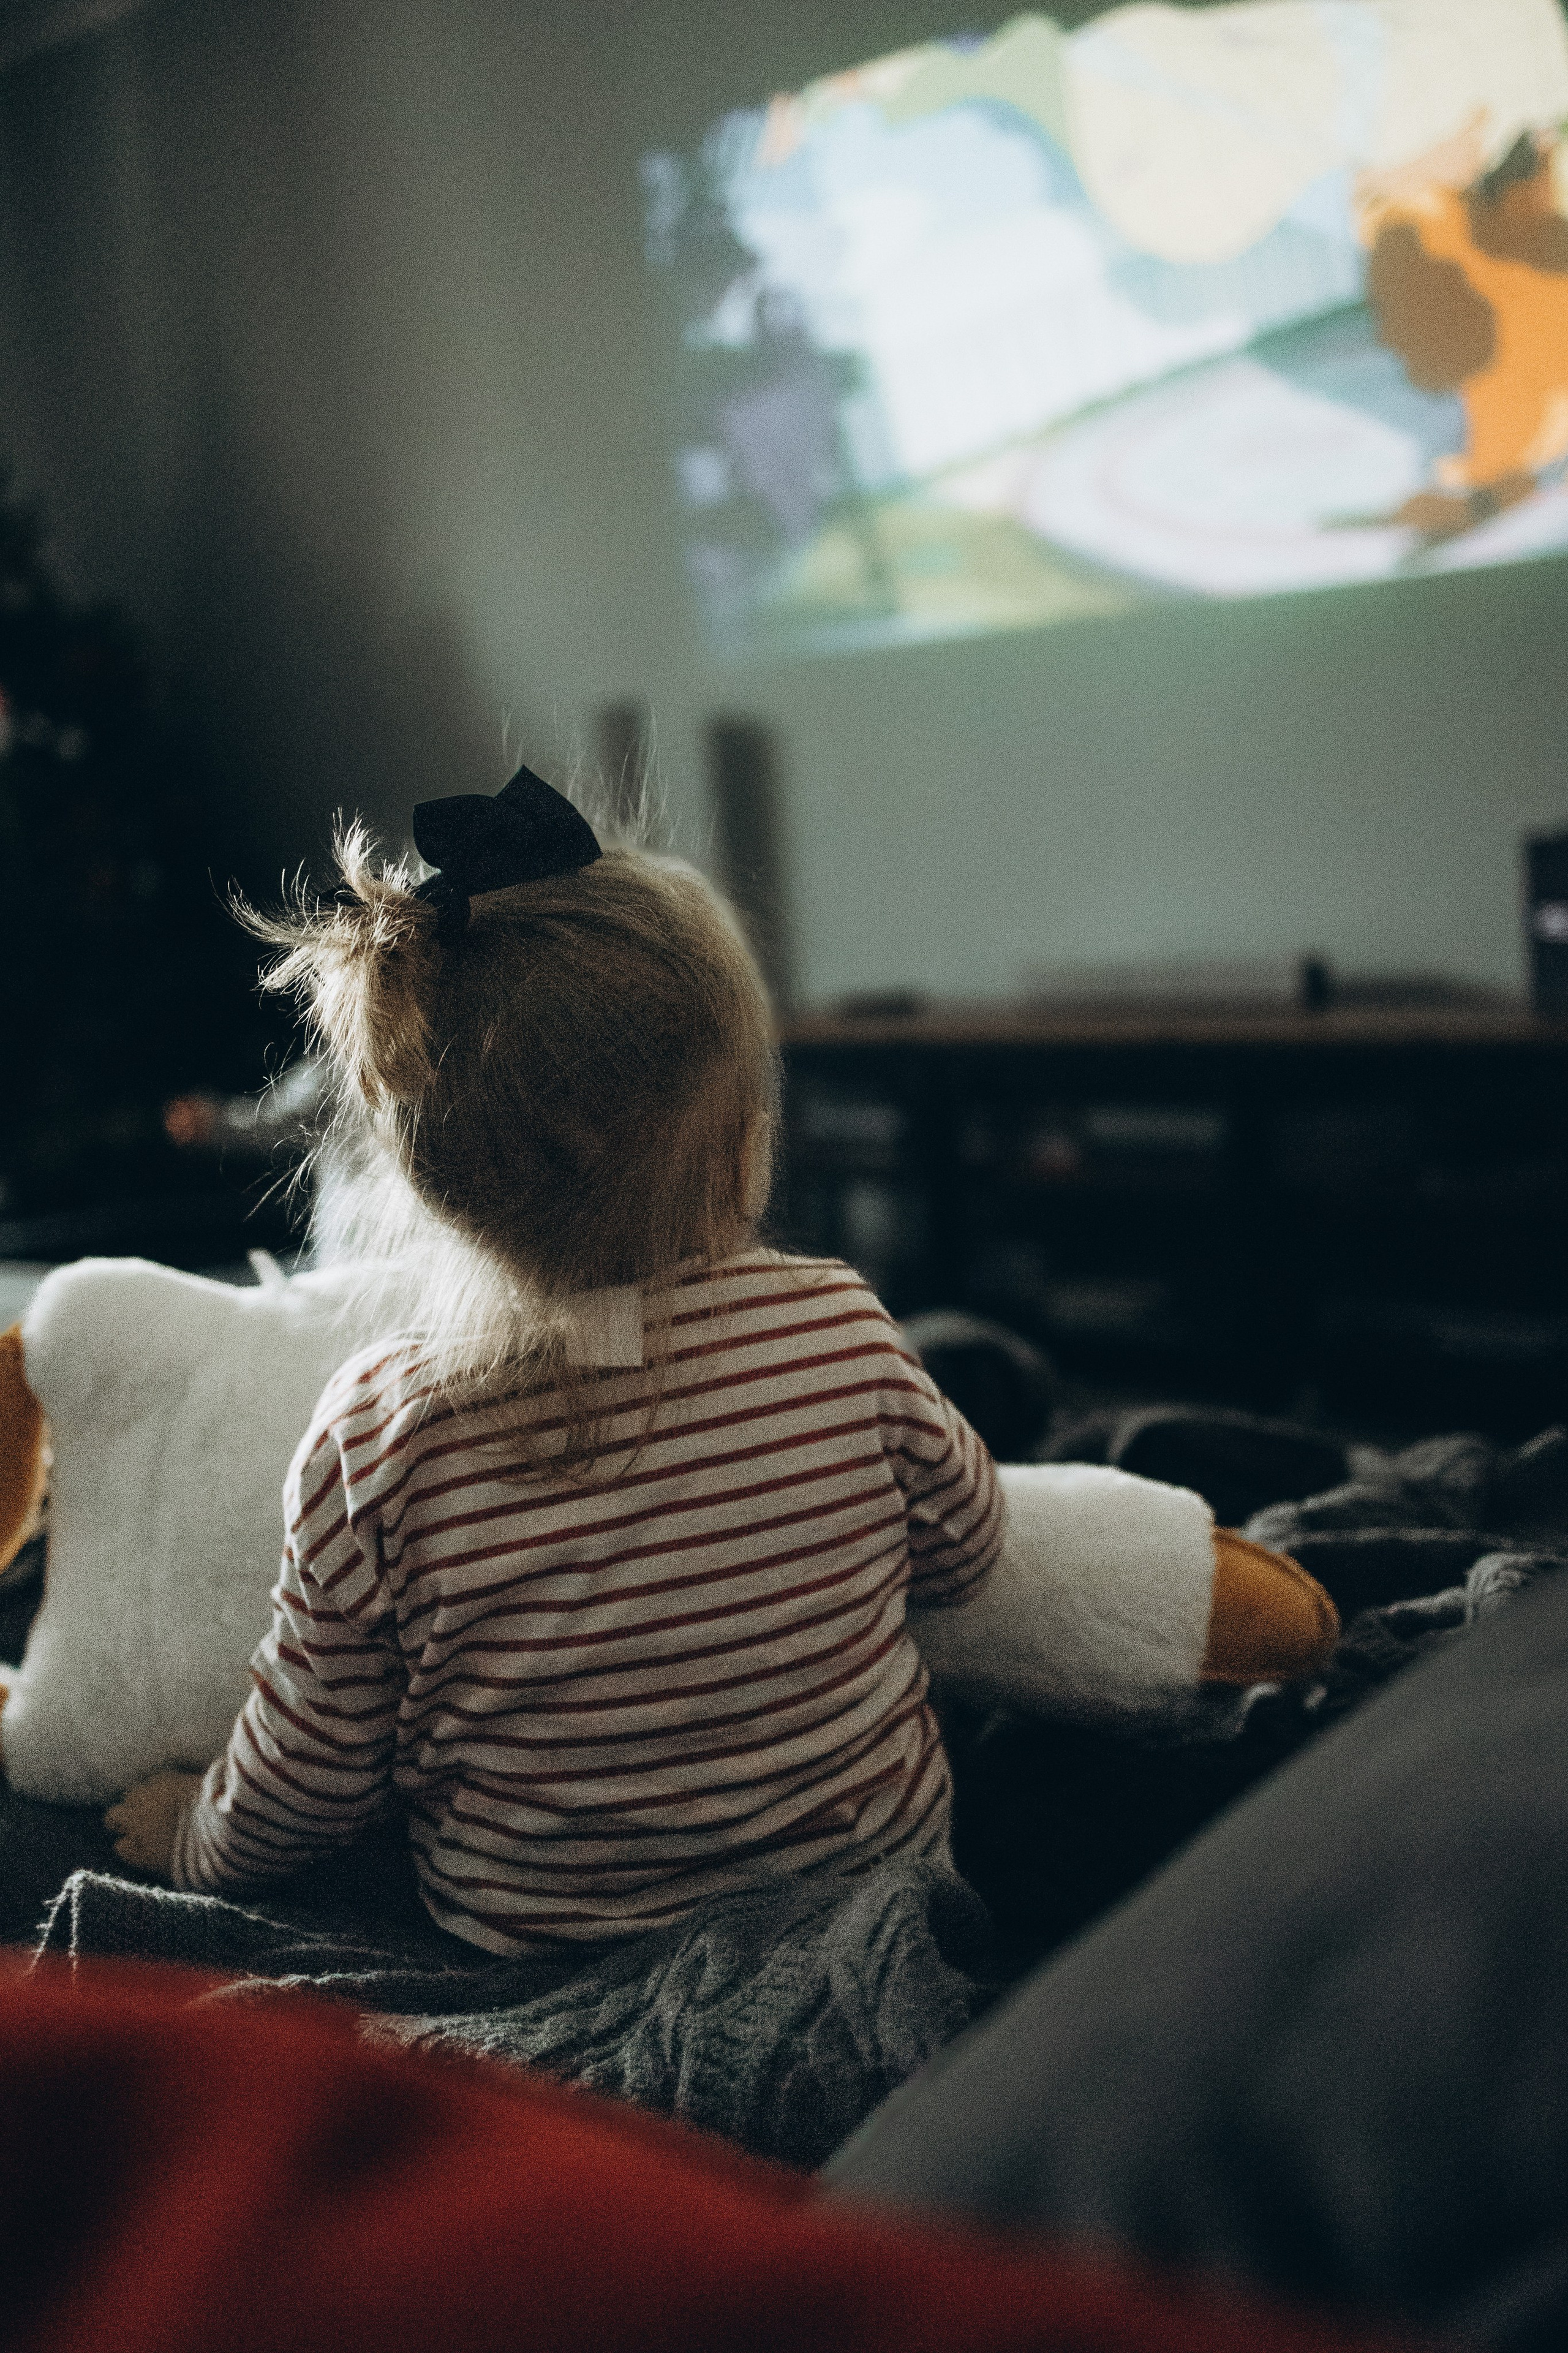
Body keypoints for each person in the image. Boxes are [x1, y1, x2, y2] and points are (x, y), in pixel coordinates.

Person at [103, 765, 1004, 1953]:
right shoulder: (838, 1327)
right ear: (745, 1145)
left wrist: (190, 1835)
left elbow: (312, 1768)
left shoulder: (380, 1432)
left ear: (430, 1180)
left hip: (547, 1952)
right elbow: (966, 1550)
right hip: (878, 1911)